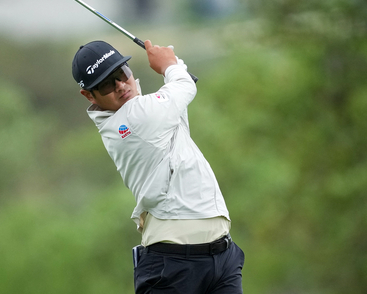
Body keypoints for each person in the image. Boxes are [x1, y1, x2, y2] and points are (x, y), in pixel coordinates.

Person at [72, 39, 244, 294]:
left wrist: (172, 65)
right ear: (89, 95)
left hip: (222, 256)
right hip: (173, 267)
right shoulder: (133, 118)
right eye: (107, 84)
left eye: (122, 74)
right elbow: (183, 85)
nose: (120, 86)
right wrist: (169, 64)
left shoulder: (151, 110)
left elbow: (177, 86)